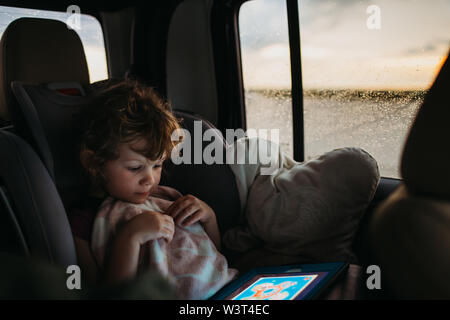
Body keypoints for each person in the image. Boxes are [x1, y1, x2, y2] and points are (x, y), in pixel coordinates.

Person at [69, 79, 236, 299]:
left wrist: (209, 219)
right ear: (94, 164)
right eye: (135, 168)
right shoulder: (83, 224)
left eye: (157, 165)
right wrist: (130, 237)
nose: (149, 179)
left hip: (227, 290)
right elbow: (106, 294)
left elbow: (210, 257)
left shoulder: (165, 199)